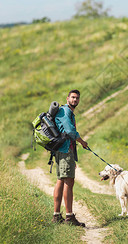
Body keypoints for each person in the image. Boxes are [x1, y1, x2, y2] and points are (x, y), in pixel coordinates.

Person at [52, 89, 88, 226]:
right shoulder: (65, 111)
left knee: (61, 180)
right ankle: (69, 217)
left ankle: (56, 216)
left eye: (77, 98)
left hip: (64, 150)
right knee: (68, 181)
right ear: (67, 98)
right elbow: (70, 131)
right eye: (73, 97)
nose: (75, 100)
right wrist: (83, 142)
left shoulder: (66, 111)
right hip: (65, 150)